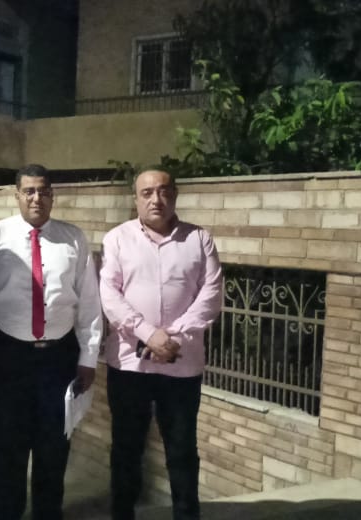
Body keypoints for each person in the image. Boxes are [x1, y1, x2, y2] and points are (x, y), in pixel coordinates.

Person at [0, 164, 103, 520]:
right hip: (6, 356)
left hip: (58, 359)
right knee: (7, 446)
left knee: (54, 446)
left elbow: (89, 302)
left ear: (52, 195)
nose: (37, 198)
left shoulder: (73, 238)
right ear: (17, 194)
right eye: (29, 191)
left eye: (44, 191)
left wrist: (88, 358)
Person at [99, 169, 223, 520]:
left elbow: (211, 294)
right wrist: (147, 333)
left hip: (181, 365)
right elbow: (109, 294)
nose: (156, 199)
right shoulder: (117, 239)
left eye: (164, 191)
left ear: (175, 195)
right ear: (135, 198)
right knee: (126, 449)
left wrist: (172, 337)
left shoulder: (199, 239)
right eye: (147, 192)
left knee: (182, 450)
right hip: (130, 365)